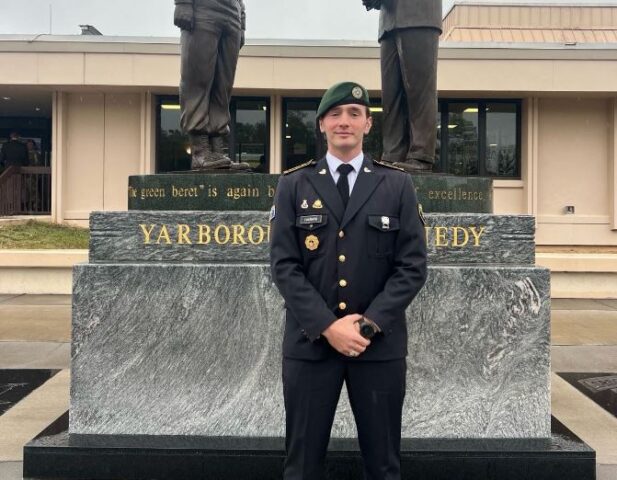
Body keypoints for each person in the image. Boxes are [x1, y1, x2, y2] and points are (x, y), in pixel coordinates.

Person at [270, 82, 428, 480]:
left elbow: (412, 266)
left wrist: (367, 325)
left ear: (368, 124)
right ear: (321, 124)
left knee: (384, 465)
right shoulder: (294, 184)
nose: (345, 122)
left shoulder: (397, 184)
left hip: (377, 346)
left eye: (354, 114)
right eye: (335, 114)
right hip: (310, 346)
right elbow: (284, 265)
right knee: (301, 466)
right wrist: (328, 326)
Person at [363, 0, 442, 172]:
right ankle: (392, 154)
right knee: (391, 97)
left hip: (419, 14)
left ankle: (421, 155)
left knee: (419, 91)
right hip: (388, 21)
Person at [173, 0, 249, 170]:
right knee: (197, 80)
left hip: (233, 13)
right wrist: (183, 3)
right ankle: (200, 151)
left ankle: (218, 151)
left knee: (223, 87)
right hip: (204, 9)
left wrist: (242, 21)